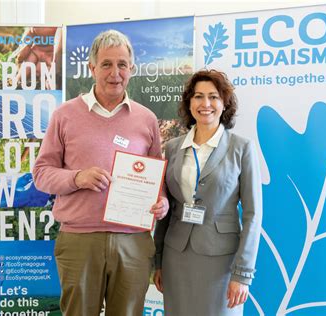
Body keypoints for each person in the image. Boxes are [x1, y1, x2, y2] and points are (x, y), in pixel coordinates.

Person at [32, 29, 169, 316]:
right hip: (80, 240)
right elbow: (42, 173)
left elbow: (157, 178)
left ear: (131, 69)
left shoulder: (146, 119)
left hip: (133, 241)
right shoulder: (65, 115)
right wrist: (76, 177)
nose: (115, 73)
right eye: (106, 64)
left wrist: (162, 201)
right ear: (92, 68)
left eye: (122, 65)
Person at [153, 69, 263, 315]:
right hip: (176, 257)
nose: (205, 104)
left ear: (224, 103)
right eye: (198, 96)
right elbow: (166, 211)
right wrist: (157, 261)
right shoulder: (172, 148)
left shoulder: (242, 148)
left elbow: (253, 215)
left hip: (221, 260)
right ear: (189, 103)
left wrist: (243, 274)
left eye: (213, 97)